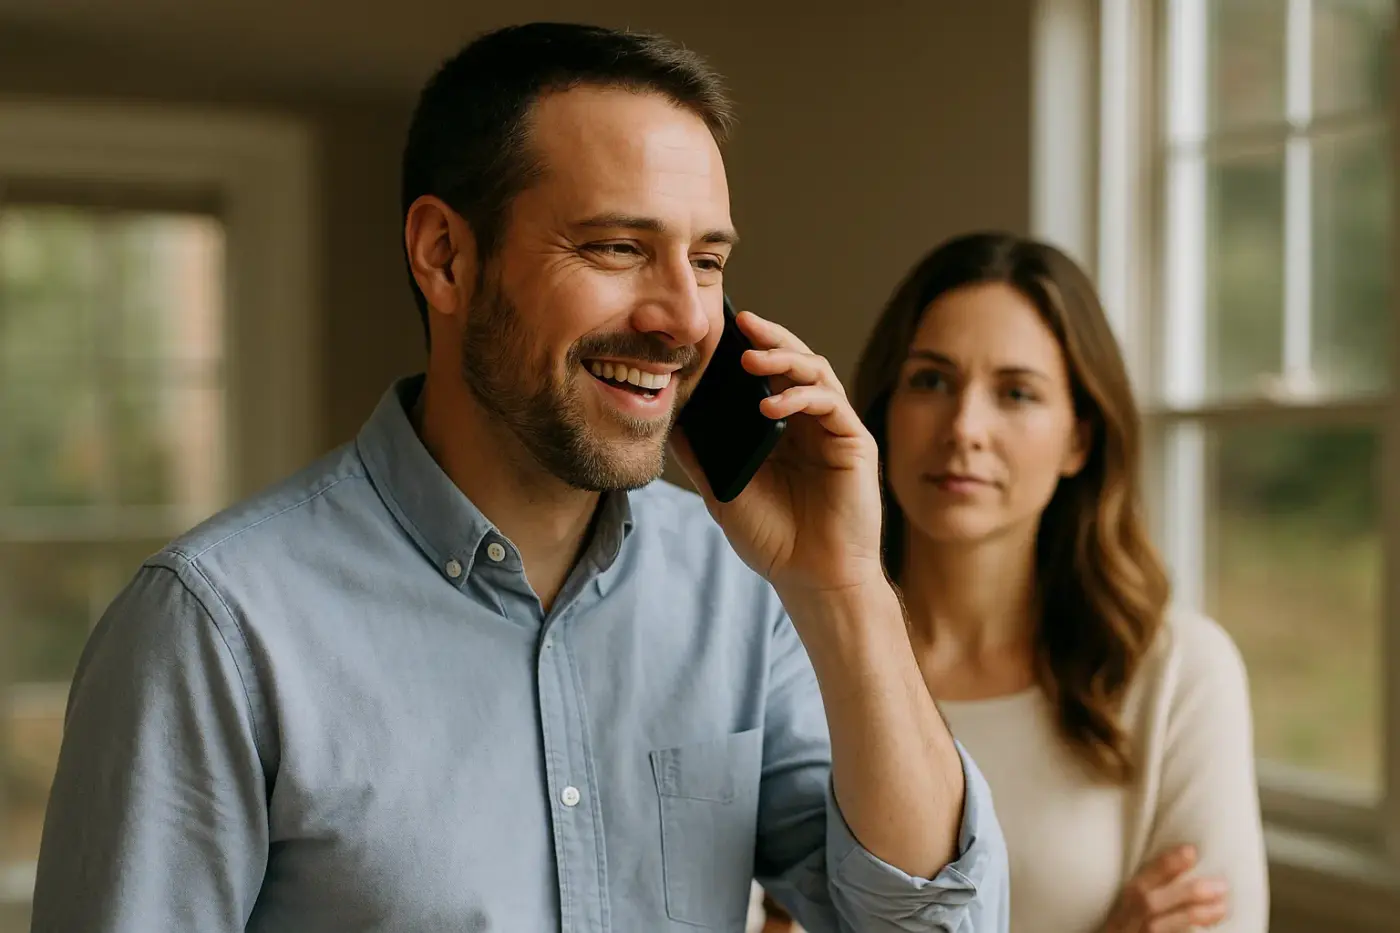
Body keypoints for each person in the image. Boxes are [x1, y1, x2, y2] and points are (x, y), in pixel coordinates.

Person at [30, 23, 1009, 933]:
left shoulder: (740, 596)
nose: (683, 318)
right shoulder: (214, 630)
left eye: (707, 261)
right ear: (445, 257)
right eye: (618, 247)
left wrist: (843, 587)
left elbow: (937, 925)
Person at [848, 231, 1268, 933]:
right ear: (885, 409)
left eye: (1016, 393)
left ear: (1079, 438)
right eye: (931, 381)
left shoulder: (1178, 674)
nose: (965, 427)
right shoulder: (800, 657)